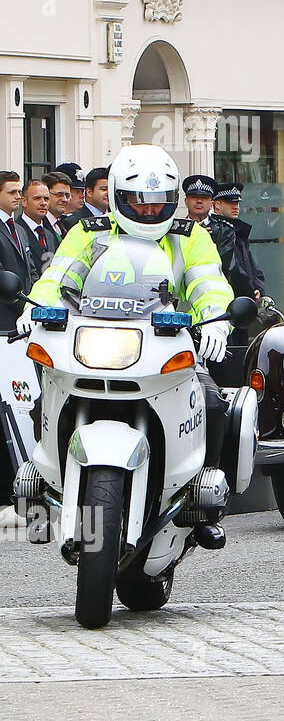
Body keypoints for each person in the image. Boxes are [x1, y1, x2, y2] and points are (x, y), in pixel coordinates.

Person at [20, 145, 234, 547]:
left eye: (159, 202)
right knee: (45, 398)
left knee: (213, 403)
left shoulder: (190, 237)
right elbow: (59, 275)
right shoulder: (89, 233)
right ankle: (43, 492)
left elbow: (208, 281)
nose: (150, 211)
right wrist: (36, 306)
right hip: (94, 342)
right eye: (139, 201)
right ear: (118, 196)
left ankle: (201, 503)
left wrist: (217, 317)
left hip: (168, 345)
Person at [211, 182, 265, 301]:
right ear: (217, 204)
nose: (235, 207)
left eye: (237, 203)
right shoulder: (215, 230)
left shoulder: (237, 230)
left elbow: (251, 265)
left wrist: (258, 288)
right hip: (228, 296)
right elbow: (231, 268)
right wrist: (249, 290)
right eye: (230, 203)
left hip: (245, 297)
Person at [0, 171, 36, 328]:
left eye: (19, 192)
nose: (18, 196)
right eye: (11, 192)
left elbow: (31, 271)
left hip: (25, 317)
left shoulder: (19, 230)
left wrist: (32, 304)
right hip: (4, 317)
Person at [19, 179, 55, 274]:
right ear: (24, 201)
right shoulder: (16, 231)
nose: (43, 203)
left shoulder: (49, 235)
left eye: (46, 199)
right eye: (37, 198)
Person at [61, 166, 108, 231]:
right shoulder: (73, 222)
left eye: (111, 189)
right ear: (89, 192)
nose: (108, 193)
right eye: (104, 189)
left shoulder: (118, 218)